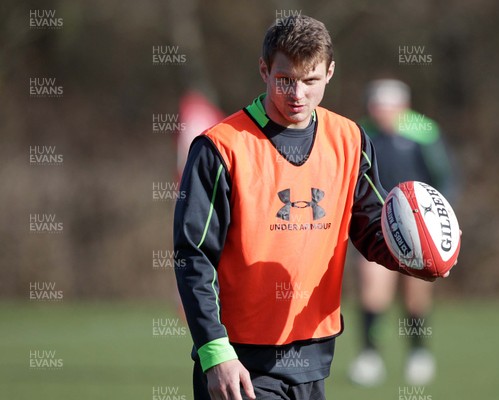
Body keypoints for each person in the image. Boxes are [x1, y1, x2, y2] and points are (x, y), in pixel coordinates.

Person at [173, 17, 448, 400]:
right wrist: (214, 351)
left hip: (314, 354)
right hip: (240, 360)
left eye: (311, 80)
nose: (297, 93)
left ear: (330, 72)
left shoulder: (350, 139)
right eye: (285, 79)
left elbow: (372, 228)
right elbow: (194, 255)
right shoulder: (220, 147)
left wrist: (420, 252)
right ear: (264, 70)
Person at [347, 79, 458, 387]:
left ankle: (418, 355)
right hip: (375, 226)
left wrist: (440, 223)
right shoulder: (361, 134)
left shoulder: (424, 132)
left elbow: (445, 178)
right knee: (372, 291)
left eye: (388, 106)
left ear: (403, 107)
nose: (381, 112)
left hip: (418, 232)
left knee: (415, 296)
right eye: (376, 106)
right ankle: (369, 357)